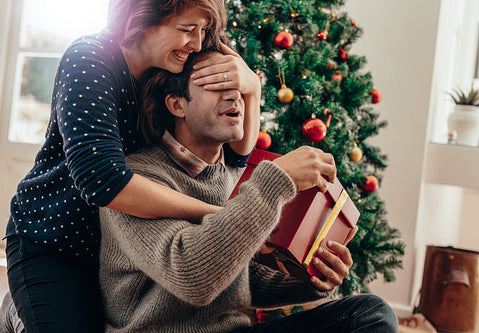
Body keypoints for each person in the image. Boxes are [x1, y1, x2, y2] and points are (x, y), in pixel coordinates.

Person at [99, 48, 399, 332]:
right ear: (177, 103)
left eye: (241, 88)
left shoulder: (229, 174)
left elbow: (240, 278)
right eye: (218, 85)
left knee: (370, 315)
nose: (235, 97)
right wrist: (278, 180)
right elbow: (194, 278)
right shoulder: (135, 178)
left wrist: (314, 278)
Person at [4, 0, 261, 332]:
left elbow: (237, 152)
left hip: (119, 255)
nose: (197, 43)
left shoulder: (175, 63)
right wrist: (214, 216)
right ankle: (18, 310)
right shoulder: (90, 59)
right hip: (54, 242)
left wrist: (252, 89)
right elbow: (102, 180)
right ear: (142, 19)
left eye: (204, 31)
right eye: (186, 30)